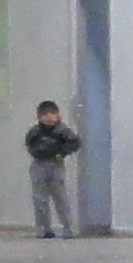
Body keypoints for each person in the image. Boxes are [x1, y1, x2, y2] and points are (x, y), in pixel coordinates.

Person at [26, 100, 83, 238]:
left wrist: (62, 153)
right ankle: (44, 227)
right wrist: (37, 153)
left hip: (56, 164)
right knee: (40, 199)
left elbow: (75, 142)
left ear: (58, 115)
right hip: (39, 165)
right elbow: (29, 144)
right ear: (39, 117)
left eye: (52, 113)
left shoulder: (63, 131)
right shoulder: (35, 132)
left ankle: (67, 227)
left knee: (60, 197)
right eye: (45, 114)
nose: (49, 117)